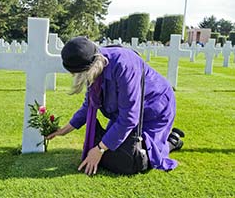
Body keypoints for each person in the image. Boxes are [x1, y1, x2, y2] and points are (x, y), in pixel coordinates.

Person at [46, 36, 185, 175]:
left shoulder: (124, 65)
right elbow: (88, 106)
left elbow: (130, 117)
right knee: (113, 151)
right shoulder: (92, 60)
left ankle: (173, 139)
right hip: (125, 109)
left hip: (154, 106)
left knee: (142, 157)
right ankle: (165, 140)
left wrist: (99, 149)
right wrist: (64, 130)